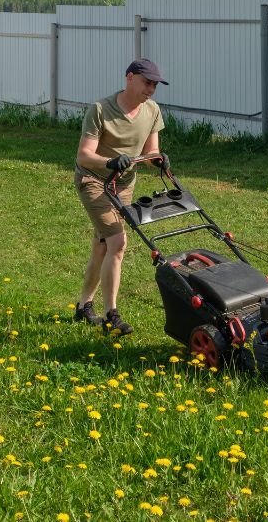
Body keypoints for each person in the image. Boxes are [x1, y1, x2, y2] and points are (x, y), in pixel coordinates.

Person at [73, 58, 170, 336]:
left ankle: (83, 305)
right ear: (129, 78)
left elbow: (150, 153)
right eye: (147, 82)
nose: (151, 89)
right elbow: (84, 155)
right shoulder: (101, 110)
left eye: (155, 85)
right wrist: (111, 162)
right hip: (93, 180)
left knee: (102, 246)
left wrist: (159, 160)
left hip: (122, 185)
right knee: (117, 242)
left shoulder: (152, 111)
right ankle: (111, 315)